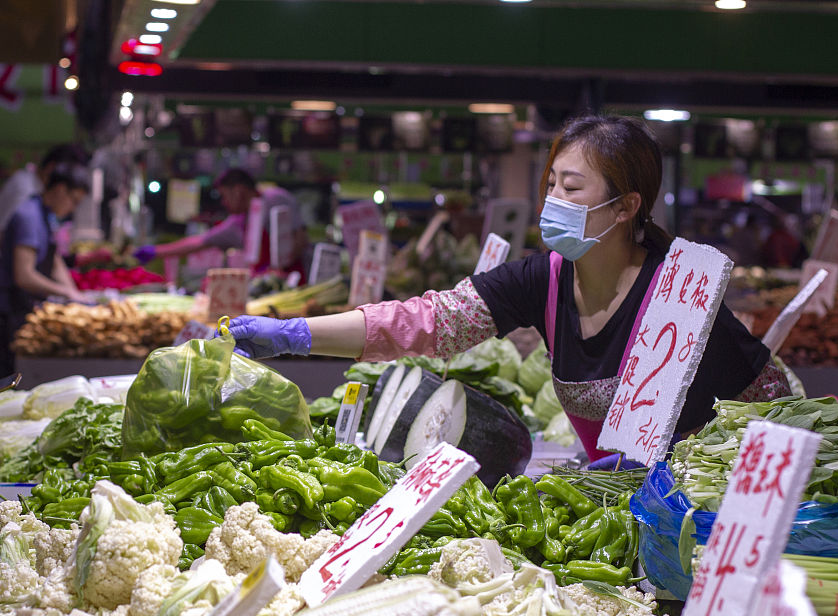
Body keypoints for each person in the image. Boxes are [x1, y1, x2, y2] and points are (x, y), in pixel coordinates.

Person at [227, 115, 792, 468]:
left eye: (571, 187)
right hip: (609, 510)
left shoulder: (677, 294)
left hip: (691, 517)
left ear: (625, 207)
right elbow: (430, 321)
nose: (552, 201)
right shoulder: (541, 279)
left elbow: (769, 414)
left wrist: (673, 471)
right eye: (550, 184)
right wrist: (300, 336)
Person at [0, 162, 90, 376]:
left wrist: (75, 295)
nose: (73, 208)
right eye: (74, 201)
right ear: (61, 189)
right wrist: (66, 293)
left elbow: (54, 260)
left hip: (22, 308)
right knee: (6, 383)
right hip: (8, 313)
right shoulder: (29, 217)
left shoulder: (45, 215)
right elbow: (24, 275)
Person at [134, 168, 307, 277]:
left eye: (224, 196)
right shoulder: (237, 222)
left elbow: (300, 237)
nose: (223, 203)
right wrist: (156, 251)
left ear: (238, 191)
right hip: (264, 285)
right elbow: (199, 241)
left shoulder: (275, 198)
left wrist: (280, 270)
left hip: (294, 280)